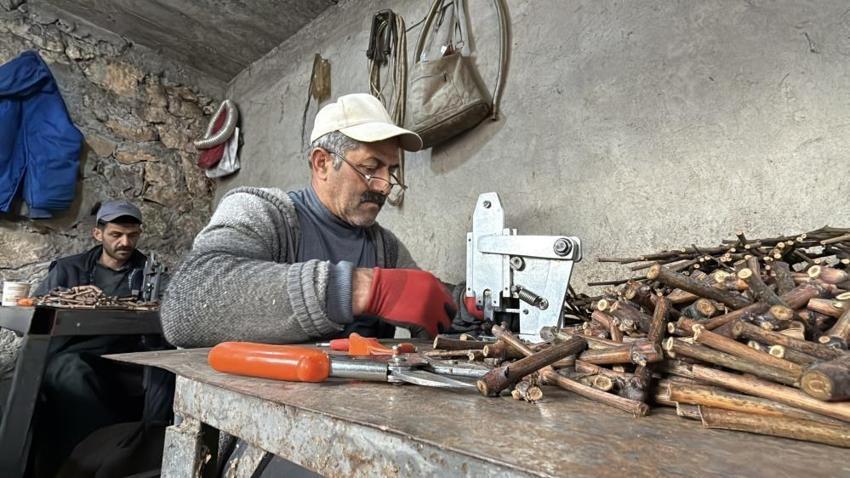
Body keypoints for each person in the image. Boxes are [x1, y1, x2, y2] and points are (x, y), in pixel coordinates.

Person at [161, 93, 462, 347]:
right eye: (372, 168)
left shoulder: (384, 247)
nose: (384, 185)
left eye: (391, 171)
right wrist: (358, 289)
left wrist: (464, 304)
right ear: (322, 163)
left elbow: (427, 299)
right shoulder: (262, 212)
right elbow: (187, 304)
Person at [29, 200, 170, 477]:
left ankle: (144, 457)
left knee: (166, 373)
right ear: (99, 234)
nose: (125, 242)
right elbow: (37, 316)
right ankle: (86, 463)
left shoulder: (150, 274)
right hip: (76, 355)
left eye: (132, 235)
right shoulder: (69, 270)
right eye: (116, 235)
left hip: (126, 359)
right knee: (70, 371)